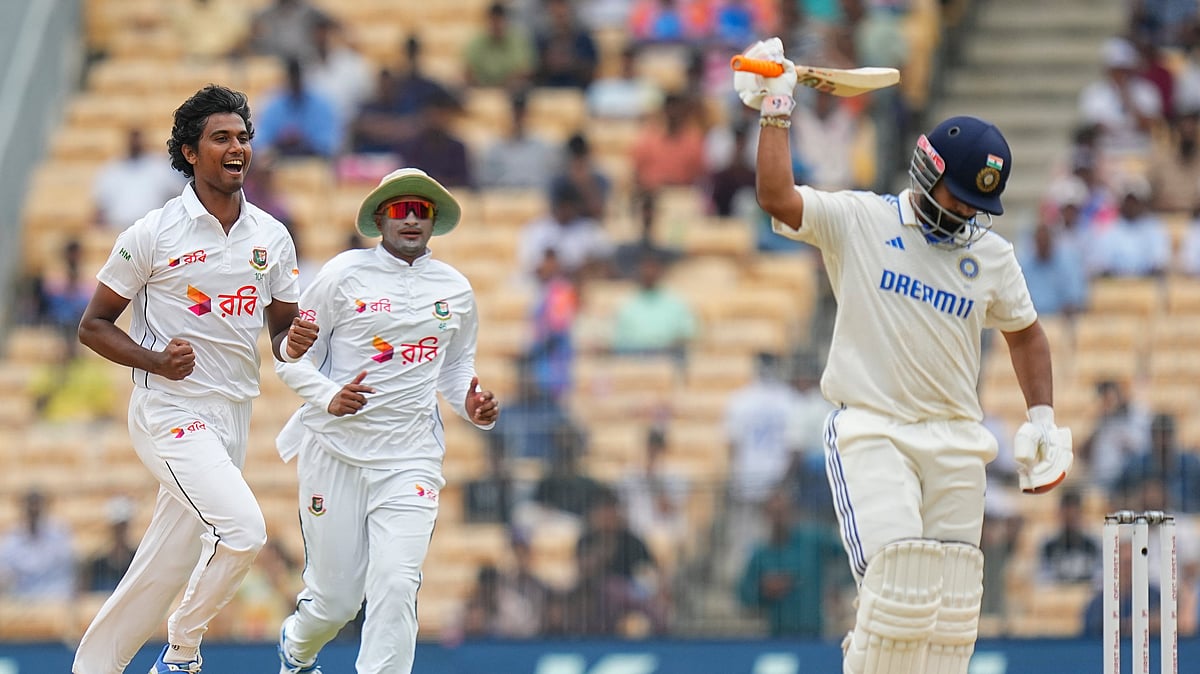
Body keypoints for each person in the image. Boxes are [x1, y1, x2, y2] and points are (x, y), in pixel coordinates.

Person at [737, 37, 1072, 674]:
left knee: (949, 624)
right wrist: (777, 107)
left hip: (956, 440)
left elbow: (1025, 333)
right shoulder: (861, 222)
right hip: (874, 429)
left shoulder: (992, 257)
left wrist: (1044, 419)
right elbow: (778, 198)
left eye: (980, 204)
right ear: (927, 172)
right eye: (960, 197)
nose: (969, 212)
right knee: (899, 592)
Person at [71, 84, 319, 674]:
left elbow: (281, 331)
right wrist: (156, 361)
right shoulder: (152, 233)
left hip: (232, 415)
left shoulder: (271, 237)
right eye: (221, 138)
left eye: (242, 138)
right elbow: (93, 325)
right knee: (243, 532)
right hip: (167, 408)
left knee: (170, 557)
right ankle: (181, 652)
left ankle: (93, 669)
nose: (237, 148)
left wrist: (293, 343)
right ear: (189, 152)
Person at [272, 167, 500, 674]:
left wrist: (473, 406)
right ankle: (297, 646)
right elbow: (288, 356)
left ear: (434, 221)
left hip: (410, 457)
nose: (412, 219)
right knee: (335, 603)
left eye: (422, 210)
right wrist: (329, 396)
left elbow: (457, 370)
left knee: (397, 584)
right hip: (335, 452)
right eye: (401, 209)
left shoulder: (456, 290)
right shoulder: (340, 276)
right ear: (380, 219)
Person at [0, 488, 76, 600]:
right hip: (21, 602)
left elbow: (68, 573)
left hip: (56, 599)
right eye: (30, 506)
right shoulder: (11, 541)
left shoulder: (59, 535)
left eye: (37, 506)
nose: (33, 510)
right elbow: (6, 578)